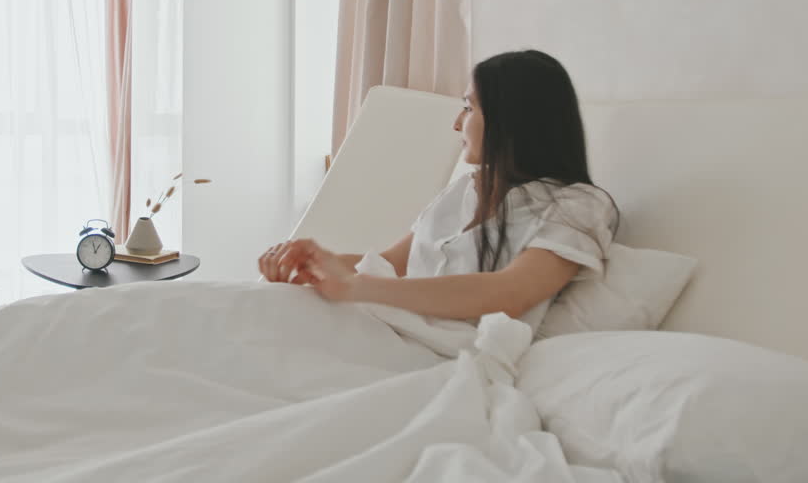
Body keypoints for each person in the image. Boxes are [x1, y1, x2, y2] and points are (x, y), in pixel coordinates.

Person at [258, 50, 618, 332]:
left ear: (512, 119)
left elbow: (512, 292)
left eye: (468, 107)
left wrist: (356, 287)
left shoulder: (578, 206)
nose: (457, 123)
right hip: (383, 324)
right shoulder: (463, 191)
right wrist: (315, 261)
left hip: (436, 349)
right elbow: (390, 264)